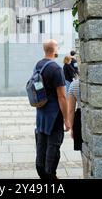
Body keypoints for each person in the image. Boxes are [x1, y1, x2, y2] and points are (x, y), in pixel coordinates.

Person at [35, 39, 70, 180]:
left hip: (41, 111)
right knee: (54, 144)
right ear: (54, 50)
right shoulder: (56, 69)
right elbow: (62, 97)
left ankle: (41, 170)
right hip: (54, 114)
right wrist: (67, 119)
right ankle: (50, 174)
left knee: (41, 141)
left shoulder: (38, 65)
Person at [67, 78, 83, 151]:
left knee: (82, 148)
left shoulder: (74, 84)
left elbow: (71, 110)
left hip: (80, 118)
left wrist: (71, 128)